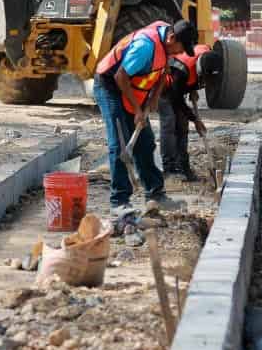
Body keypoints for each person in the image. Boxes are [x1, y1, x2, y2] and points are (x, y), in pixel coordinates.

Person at [93, 18, 196, 210]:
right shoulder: (145, 47)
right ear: (172, 38)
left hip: (130, 88)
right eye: (181, 47)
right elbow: (120, 76)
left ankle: (155, 194)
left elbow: (163, 72)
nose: (181, 53)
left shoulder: (167, 42)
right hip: (109, 85)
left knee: (145, 142)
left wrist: (154, 97)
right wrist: (138, 110)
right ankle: (120, 201)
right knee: (120, 143)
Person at [158, 44, 222, 180]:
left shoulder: (211, 57)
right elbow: (176, 99)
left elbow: (203, 78)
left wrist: (193, 88)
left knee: (182, 125)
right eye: (204, 78)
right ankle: (170, 168)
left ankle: (183, 167)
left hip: (179, 86)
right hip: (163, 86)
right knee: (169, 123)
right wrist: (195, 120)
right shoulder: (181, 69)